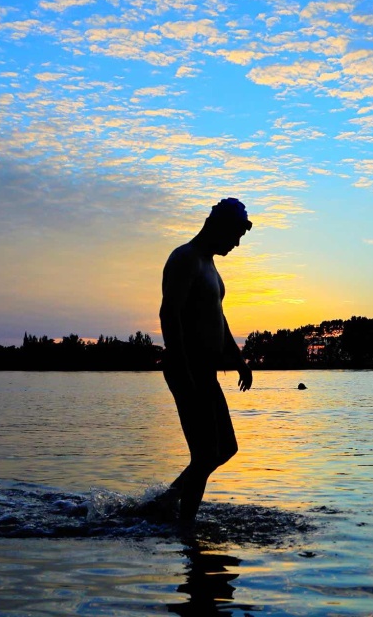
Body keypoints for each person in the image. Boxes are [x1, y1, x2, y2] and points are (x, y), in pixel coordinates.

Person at [159, 197, 254, 523]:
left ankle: (168, 501)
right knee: (204, 455)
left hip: (206, 372)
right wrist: (183, 371)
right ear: (220, 226)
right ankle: (186, 529)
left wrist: (239, 360)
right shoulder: (187, 259)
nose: (237, 243)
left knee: (225, 448)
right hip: (188, 369)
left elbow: (219, 319)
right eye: (236, 234)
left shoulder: (210, 266)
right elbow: (169, 314)